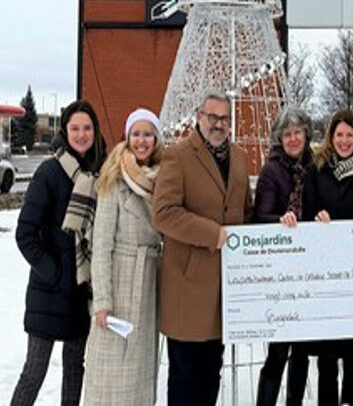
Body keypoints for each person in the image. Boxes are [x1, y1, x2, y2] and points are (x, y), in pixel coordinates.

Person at [152, 92, 252, 405]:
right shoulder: (178, 156)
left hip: (224, 289)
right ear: (199, 117)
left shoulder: (239, 157)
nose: (218, 124)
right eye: (212, 117)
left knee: (211, 373)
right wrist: (212, 234)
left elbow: (244, 211)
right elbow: (163, 214)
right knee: (185, 375)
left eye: (224, 119)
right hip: (187, 289)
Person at [11, 100, 107, 406]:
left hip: (81, 292)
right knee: (35, 370)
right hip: (48, 292)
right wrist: (55, 273)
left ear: (95, 131)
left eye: (87, 128)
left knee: (74, 370)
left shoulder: (100, 173)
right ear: (65, 131)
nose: (81, 134)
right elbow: (25, 233)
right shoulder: (50, 172)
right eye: (75, 128)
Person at [82, 108, 164, 404]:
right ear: (127, 138)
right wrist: (102, 301)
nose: (142, 141)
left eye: (148, 134)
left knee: (140, 374)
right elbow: (101, 245)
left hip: (148, 281)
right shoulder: (113, 179)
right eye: (136, 134)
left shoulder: (163, 178)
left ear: (156, 138)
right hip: (118, 284)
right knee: (110, 374)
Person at [302, 109, 353, 406]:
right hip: (326, 276)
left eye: (349, 135)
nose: (344, 140)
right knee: (326, 360)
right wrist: (316, 219)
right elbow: (307, 216)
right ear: (330, 138)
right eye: (339, 135)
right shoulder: (316, 170)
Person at [254, 106, 313, 406]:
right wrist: (279, 220)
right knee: (278, 350)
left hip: (308, 269)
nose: (292, 138)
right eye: (287, 134)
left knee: (302, 350)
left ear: (306, 134)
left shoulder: (314, 167)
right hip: (280, 270)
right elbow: (259, 216)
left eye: (297, 132)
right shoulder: (271, 170)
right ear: (280, 138)